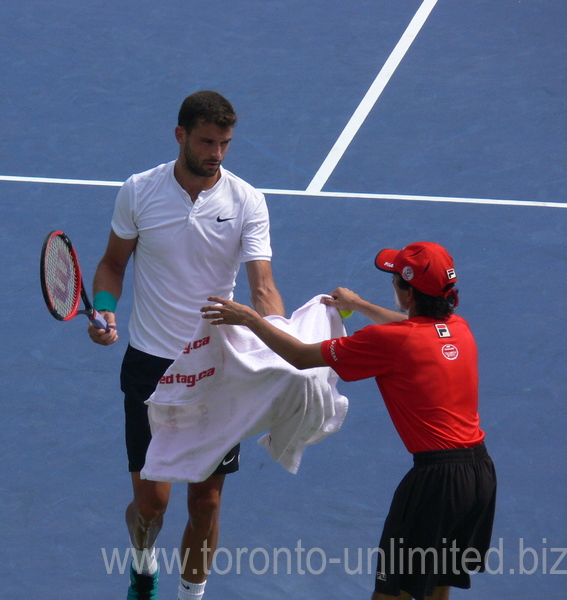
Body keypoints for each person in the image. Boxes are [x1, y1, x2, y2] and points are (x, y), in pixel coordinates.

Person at [201, 242, 496, 600]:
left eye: (395, 281)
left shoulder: (388, 342)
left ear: (408, 291)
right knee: (435, 586)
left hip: (435, 483)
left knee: (392, 594)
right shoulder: (458, 328)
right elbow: (411, 324)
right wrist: (358, 306)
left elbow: (299, 356)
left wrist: (251, 319)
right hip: (479, 476)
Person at [88, 90, 285, 600]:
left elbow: (262, 286)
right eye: (206, 141)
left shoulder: (247, 201)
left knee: (208, 504)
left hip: (216, 370)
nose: (216, 152)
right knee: (152, 505)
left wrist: (285, 340)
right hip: (150, 365)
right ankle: (142, 560)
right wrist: (105, 306)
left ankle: (191, 596)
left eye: (224, 143)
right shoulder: (138, 191)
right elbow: (112, 263)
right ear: (180, 136)